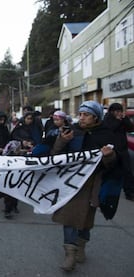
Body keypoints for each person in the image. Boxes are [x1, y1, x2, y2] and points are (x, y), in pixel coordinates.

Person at [50, 100, 117, 272]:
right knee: (69, 218)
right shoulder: (72, 132)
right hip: (70, 183)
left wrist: (108, 156)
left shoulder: (106, 134)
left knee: (85, 221)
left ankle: (81, 247)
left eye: (86, 115)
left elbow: (113, 164)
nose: (81, 118)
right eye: (80, 114)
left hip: (92, 185)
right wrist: (62, 141)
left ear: (96, 118)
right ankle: (70, 254)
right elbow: (55, 156)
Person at [103, 103, 134, 201]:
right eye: (117, 111)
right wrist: (118, 120)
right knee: (110, 172)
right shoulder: (107, 118)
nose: (119, 113)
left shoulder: (122, 118)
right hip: (112, 150)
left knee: (127, 171)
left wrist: (124, 119)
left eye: (120, 111)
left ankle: (129, 192)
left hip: (123, 149)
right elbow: (111, 128)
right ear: (112, 111)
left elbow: (130, 127)